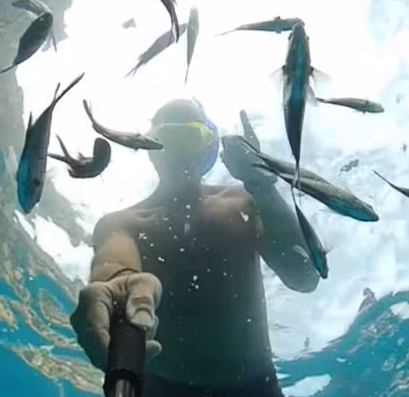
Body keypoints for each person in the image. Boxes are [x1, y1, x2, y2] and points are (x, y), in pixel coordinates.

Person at [70, 99, 320, 396]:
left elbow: (305, 276)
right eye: (167, 139)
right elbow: (114, 268)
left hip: (255, 387)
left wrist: (262, 185)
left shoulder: (246, 202)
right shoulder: (123, 224)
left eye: (190, 136)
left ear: (209, 146)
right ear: (151, 150)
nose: (177, 152)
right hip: (162, 387)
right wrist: (115, 285)